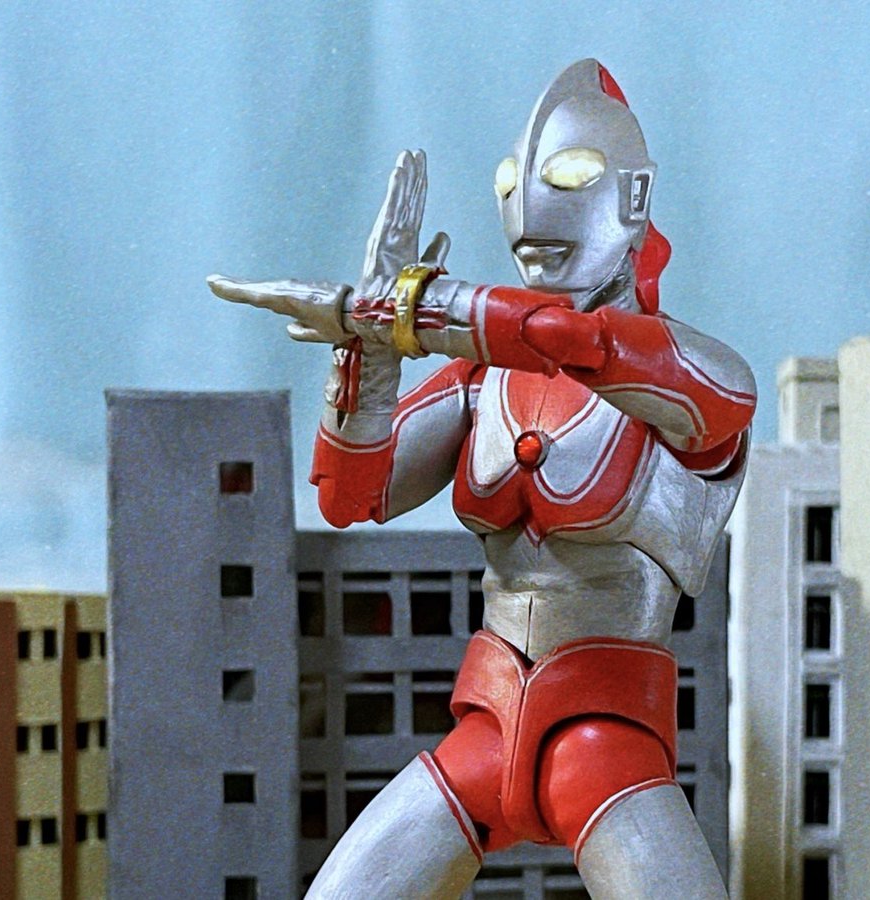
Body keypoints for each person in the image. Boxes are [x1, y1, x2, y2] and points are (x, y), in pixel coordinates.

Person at [210, 58, 755, 900]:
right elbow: (352, 495)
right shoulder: (482, 382)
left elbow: (582, 344)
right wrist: (370, 355)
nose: (528, 209)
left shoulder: (694, 373)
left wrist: (418, 310)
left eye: (568, 175)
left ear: (635, 198)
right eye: (510, 182)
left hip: (608, 740)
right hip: (488, 726)